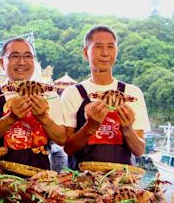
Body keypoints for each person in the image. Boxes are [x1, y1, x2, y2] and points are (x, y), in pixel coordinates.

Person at [62, 25, 150, 169]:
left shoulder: (132, 93)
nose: (105, 53)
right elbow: (68, 148)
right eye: (98, 46)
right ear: (85, 53)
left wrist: (127, 128)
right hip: (81, 181)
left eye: (110, 47)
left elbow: (139, 150)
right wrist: (90, 126)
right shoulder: (73, 93)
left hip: (121, 182)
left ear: (116, 52)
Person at [0, 38, 67, 170]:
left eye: (28, 56)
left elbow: (61, 138)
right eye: (14, 56)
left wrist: (44, 117)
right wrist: (11, 118)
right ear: (2, 62)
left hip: (39, 175)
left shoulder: (48, 94)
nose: (22, 62)